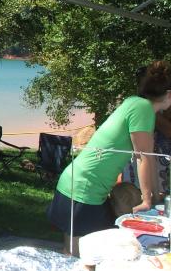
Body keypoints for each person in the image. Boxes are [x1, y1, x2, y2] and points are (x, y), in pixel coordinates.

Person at [47, 60, 171, 255]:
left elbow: (149, 159)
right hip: (84, 188)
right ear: (168, 94)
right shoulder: (144, 109)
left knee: (75, 253)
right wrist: (147, 200)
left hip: (78, 182)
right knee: (84, 255)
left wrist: (154, 197)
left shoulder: (134, 102)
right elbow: (143, 157)